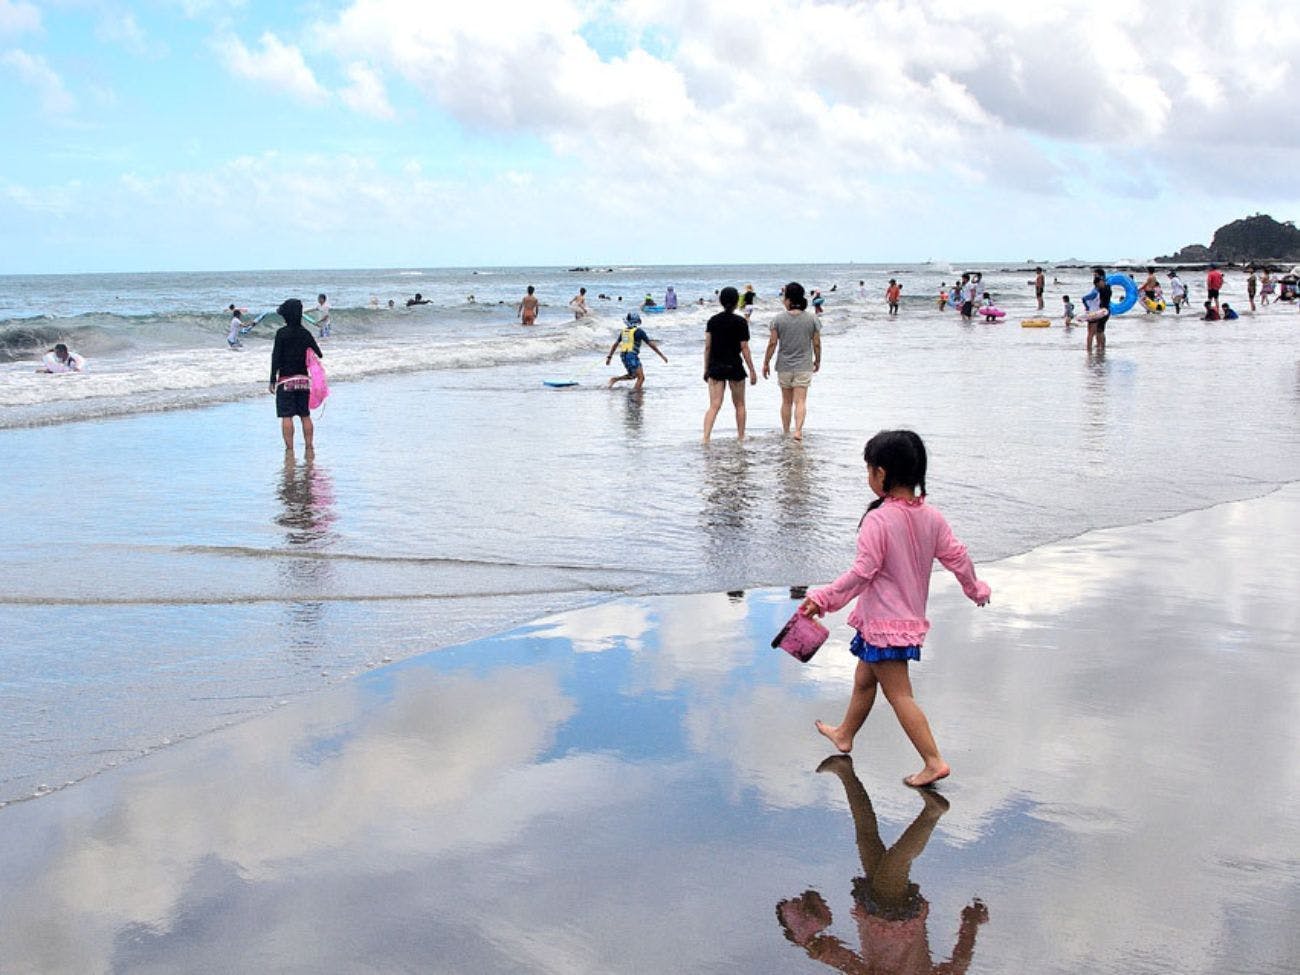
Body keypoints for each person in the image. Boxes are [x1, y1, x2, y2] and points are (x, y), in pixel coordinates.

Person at [799, 430, 990, 787]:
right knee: (864, 679)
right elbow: (958, 557)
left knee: (900, 694)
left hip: (886, 625)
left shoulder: (878, 520)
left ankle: (933, 761)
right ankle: (844, 734)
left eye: (869, 469)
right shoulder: (931, 517)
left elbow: (862, 572)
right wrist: (974, 588)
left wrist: (823, 599)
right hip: (899, 622)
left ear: (881, 474)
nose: (869, 475)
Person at [777, 756, 989, 974]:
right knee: (896, 861)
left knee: (867, 838)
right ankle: (931, 813)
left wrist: (971, 923)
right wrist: (970, 924)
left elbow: (852, 965)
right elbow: (958, 966)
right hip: (895, 918)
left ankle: (846, 773)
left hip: (876, 912)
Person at [762, 281, 821, 441]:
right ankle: (798, 431)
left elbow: (772, 343)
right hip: (804, 365)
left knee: (786, 402)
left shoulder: (778, 319)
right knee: (801, 400)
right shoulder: (812, 319)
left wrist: (766, 362)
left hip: (784, 366)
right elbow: (816, 343)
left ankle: (786, 431)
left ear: (788, 299)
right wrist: (818, 360)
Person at [702, 286, 758, 443]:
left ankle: (706, 438)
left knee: (714, 405)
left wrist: (706, 369)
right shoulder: (741, 322)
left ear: (721, 302)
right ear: (735, 302)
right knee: (739, 404)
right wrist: (752, 370)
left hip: (716, 365)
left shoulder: (713, 321)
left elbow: (707, 347)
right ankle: (741, 437)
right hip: (735, 366)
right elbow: (744, 348)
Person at [268, 298, 324, 453]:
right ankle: (309, 446)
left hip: (286, 381)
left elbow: (276, 357)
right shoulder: (305, 333)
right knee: (305, 415)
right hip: (304, 381)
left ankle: (290, 450)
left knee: (287, 416)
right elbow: (319, 353)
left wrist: (272, 378)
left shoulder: (281, 333)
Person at [605, 311, 667, 390]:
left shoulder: (624, 331)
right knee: (641, 378)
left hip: (623, 355)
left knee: (632, 375)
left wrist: (609, 357)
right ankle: (635, 393)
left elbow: (615, 344)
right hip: (632, 356)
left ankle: (615, 379)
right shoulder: (639, 332)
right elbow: (650, 344)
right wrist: (662, 356)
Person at [1087, 268, 1111, 354]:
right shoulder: (1105, 286)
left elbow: (1098, 299)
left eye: (1095, 275)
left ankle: (1100, 348)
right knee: (1099, 331)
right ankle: (1100, 348)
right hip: (1103, 310)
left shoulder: (1102, 287)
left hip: (1102, 311)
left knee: (1099, 330)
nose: (1094, 277)